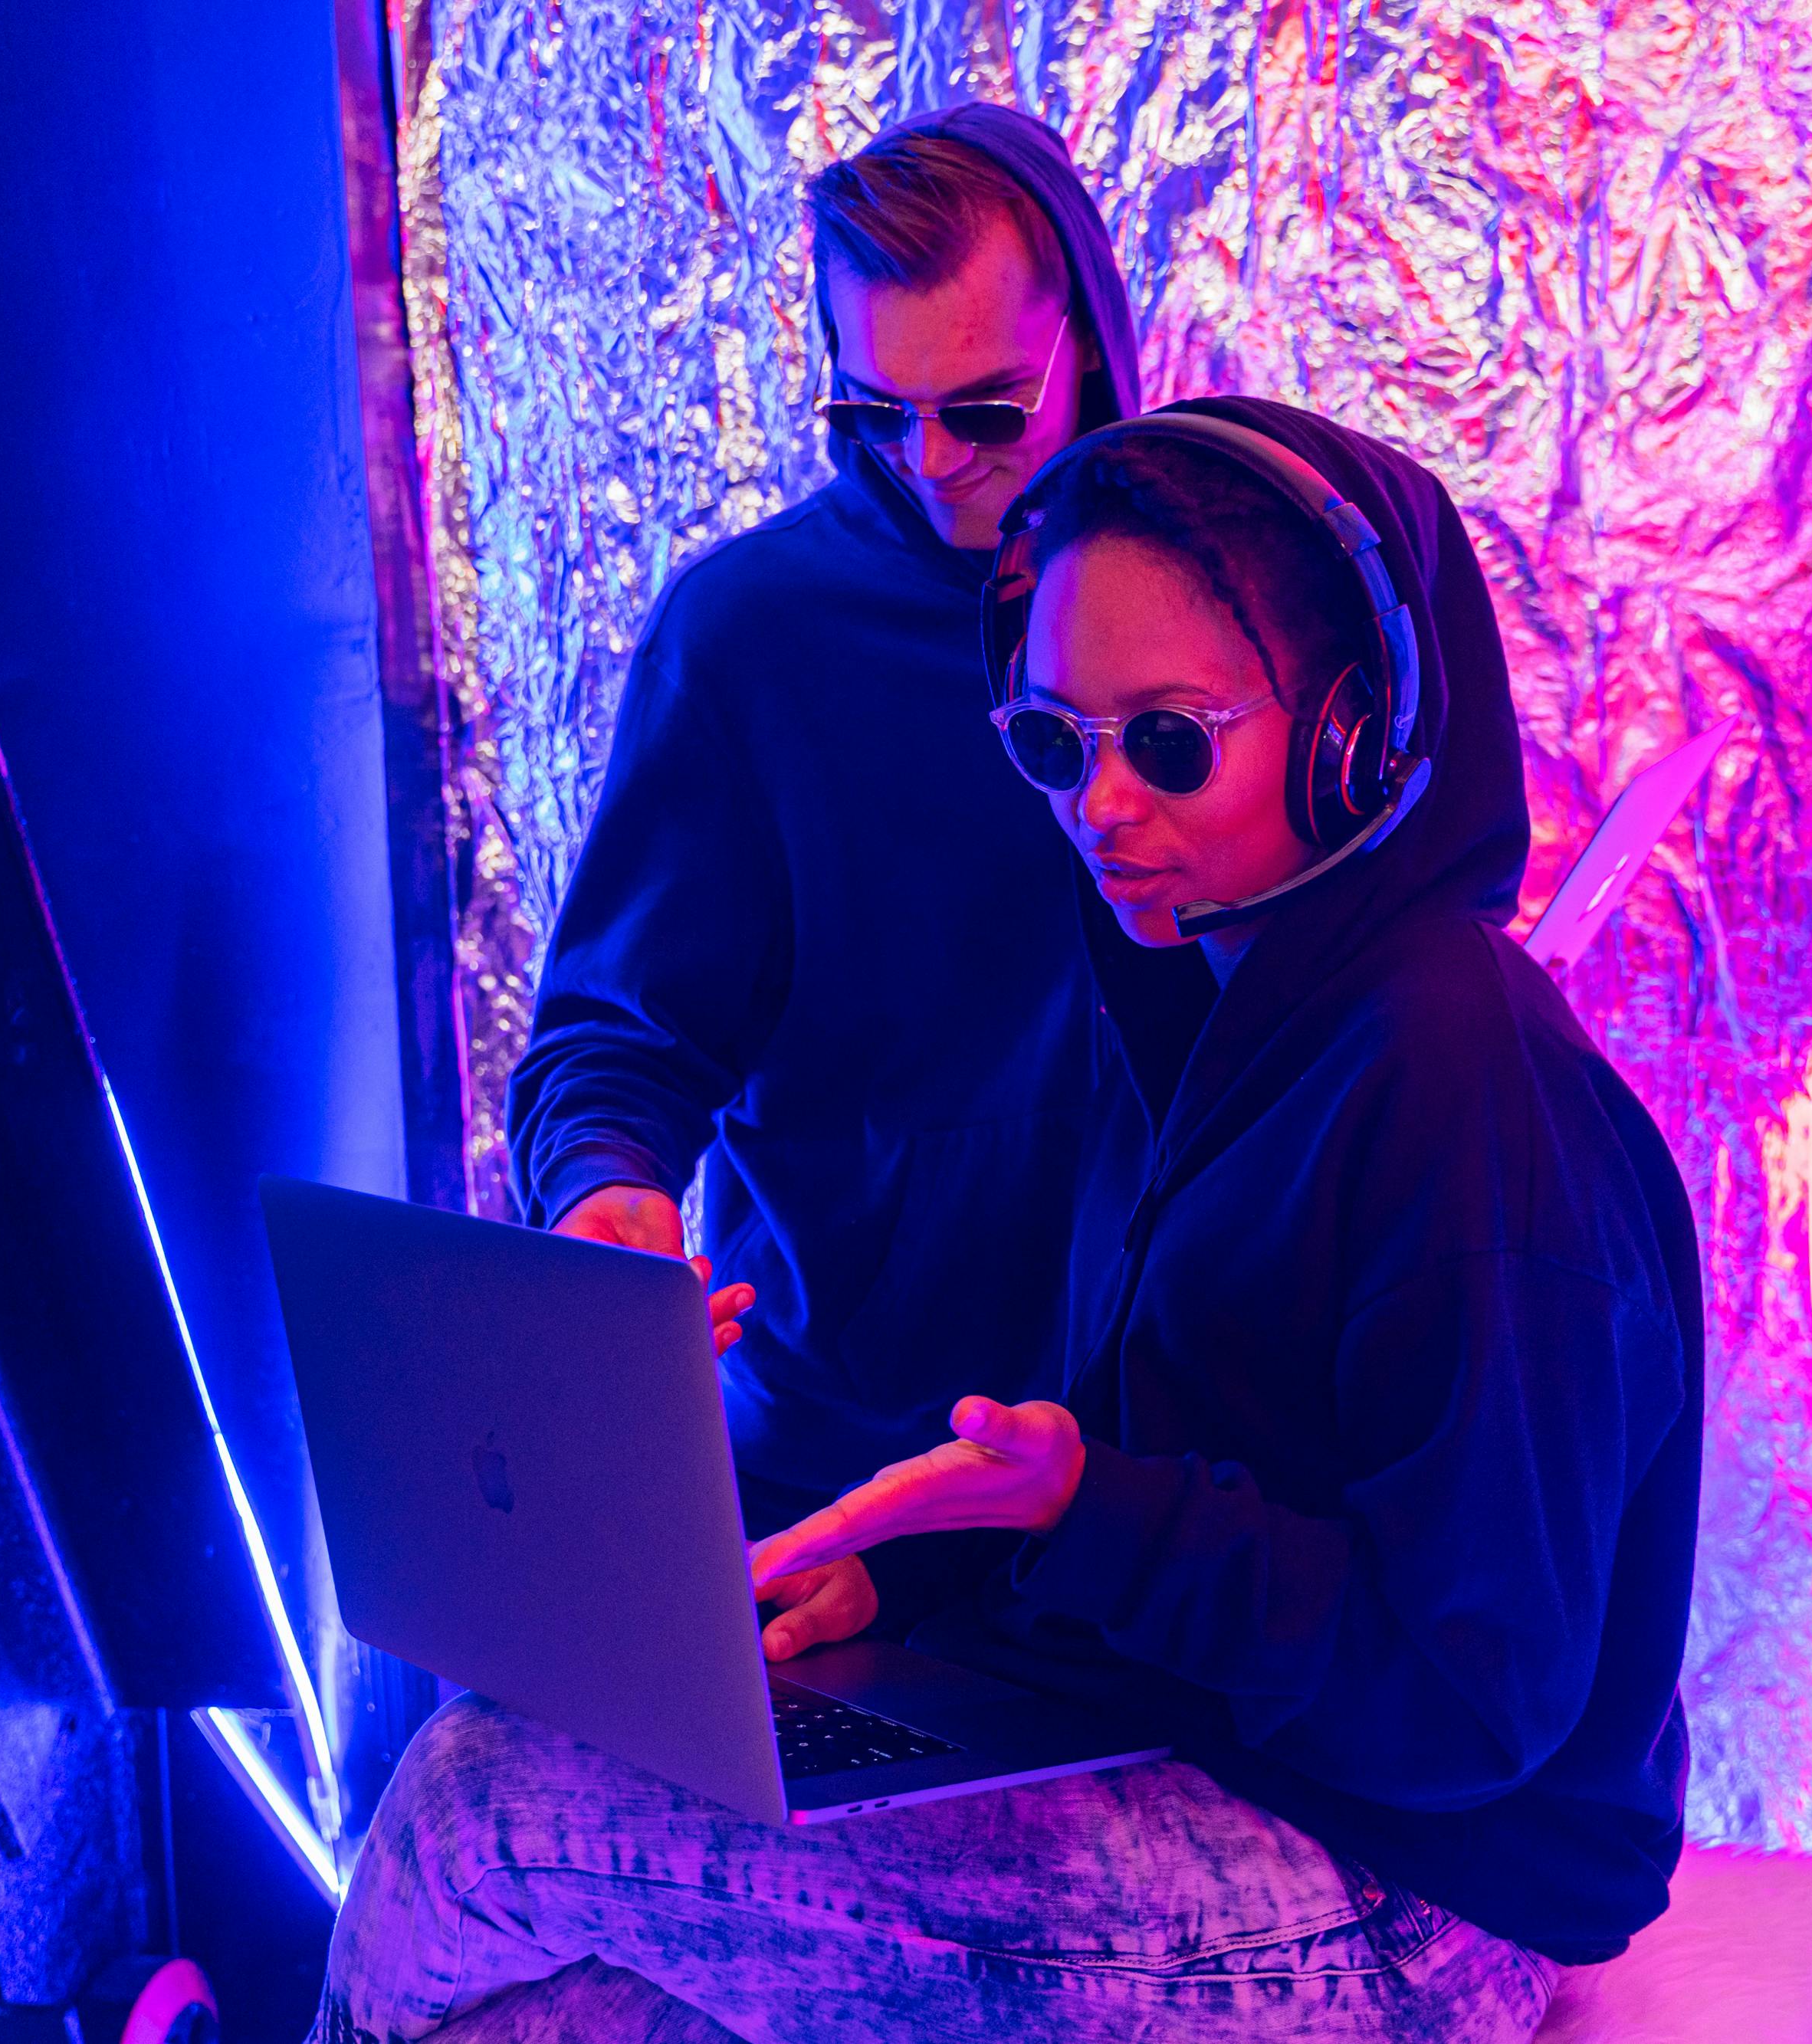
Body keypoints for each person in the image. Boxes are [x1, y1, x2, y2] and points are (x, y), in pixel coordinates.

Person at [316, 399, 1705, 2044]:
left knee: (481, 1797)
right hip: (1213, 1765)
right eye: (1055, 742)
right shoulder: (1217, 1012)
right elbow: (1222, 1483)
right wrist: (920, 1590)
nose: (1099, 805)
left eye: (1168, 739)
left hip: (1418, 1897)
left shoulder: (1459, 1083)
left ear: (1352, 736)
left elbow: (1472, 1699)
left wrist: (1084, 1510)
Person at [504, 104, 1179, 1549]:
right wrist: (604, 1199)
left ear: (1089, 344)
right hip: (837, 1472)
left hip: (1154, 1473)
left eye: (987, 410)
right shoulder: (750, 639)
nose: (931, 461)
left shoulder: (1209, 591)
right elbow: (614, 1032)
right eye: (877, 414)